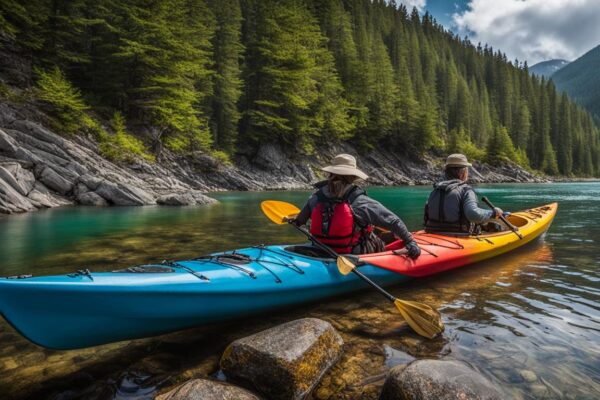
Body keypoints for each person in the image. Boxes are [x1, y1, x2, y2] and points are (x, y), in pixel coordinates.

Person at [294, 154, 421, 258]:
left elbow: (299, 221)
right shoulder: (360, 201)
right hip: (352, 254)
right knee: (382, 236)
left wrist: (294, 221)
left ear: (330, 173)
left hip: (320, 250)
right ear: (353, 177)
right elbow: (394, 221)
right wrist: (411, 242)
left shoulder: (316, 197)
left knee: (368, 227)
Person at [424, 153, 503, 234]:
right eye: (467, 169)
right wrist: (493, 213)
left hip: (432, 233)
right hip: (459, 236)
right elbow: (473, 214)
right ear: (463, 173)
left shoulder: (435, 190)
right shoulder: (466, 190)